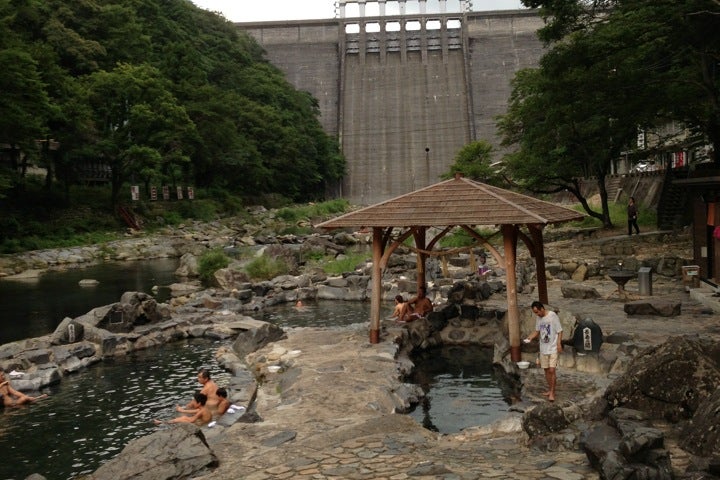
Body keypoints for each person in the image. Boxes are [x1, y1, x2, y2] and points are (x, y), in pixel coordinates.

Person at [523, 301, 563, 402]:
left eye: (537, 312)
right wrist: (530, 337)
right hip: (543, 348)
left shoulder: (552, 315)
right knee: (546, 370)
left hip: (553, 347)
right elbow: (537, 331)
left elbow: (560, 330)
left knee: (552, 370)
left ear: (542, 309)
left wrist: (559, 344)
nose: (537, 314)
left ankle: (553, 392)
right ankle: (550, 389)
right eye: (535, 313)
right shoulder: (538, 318)